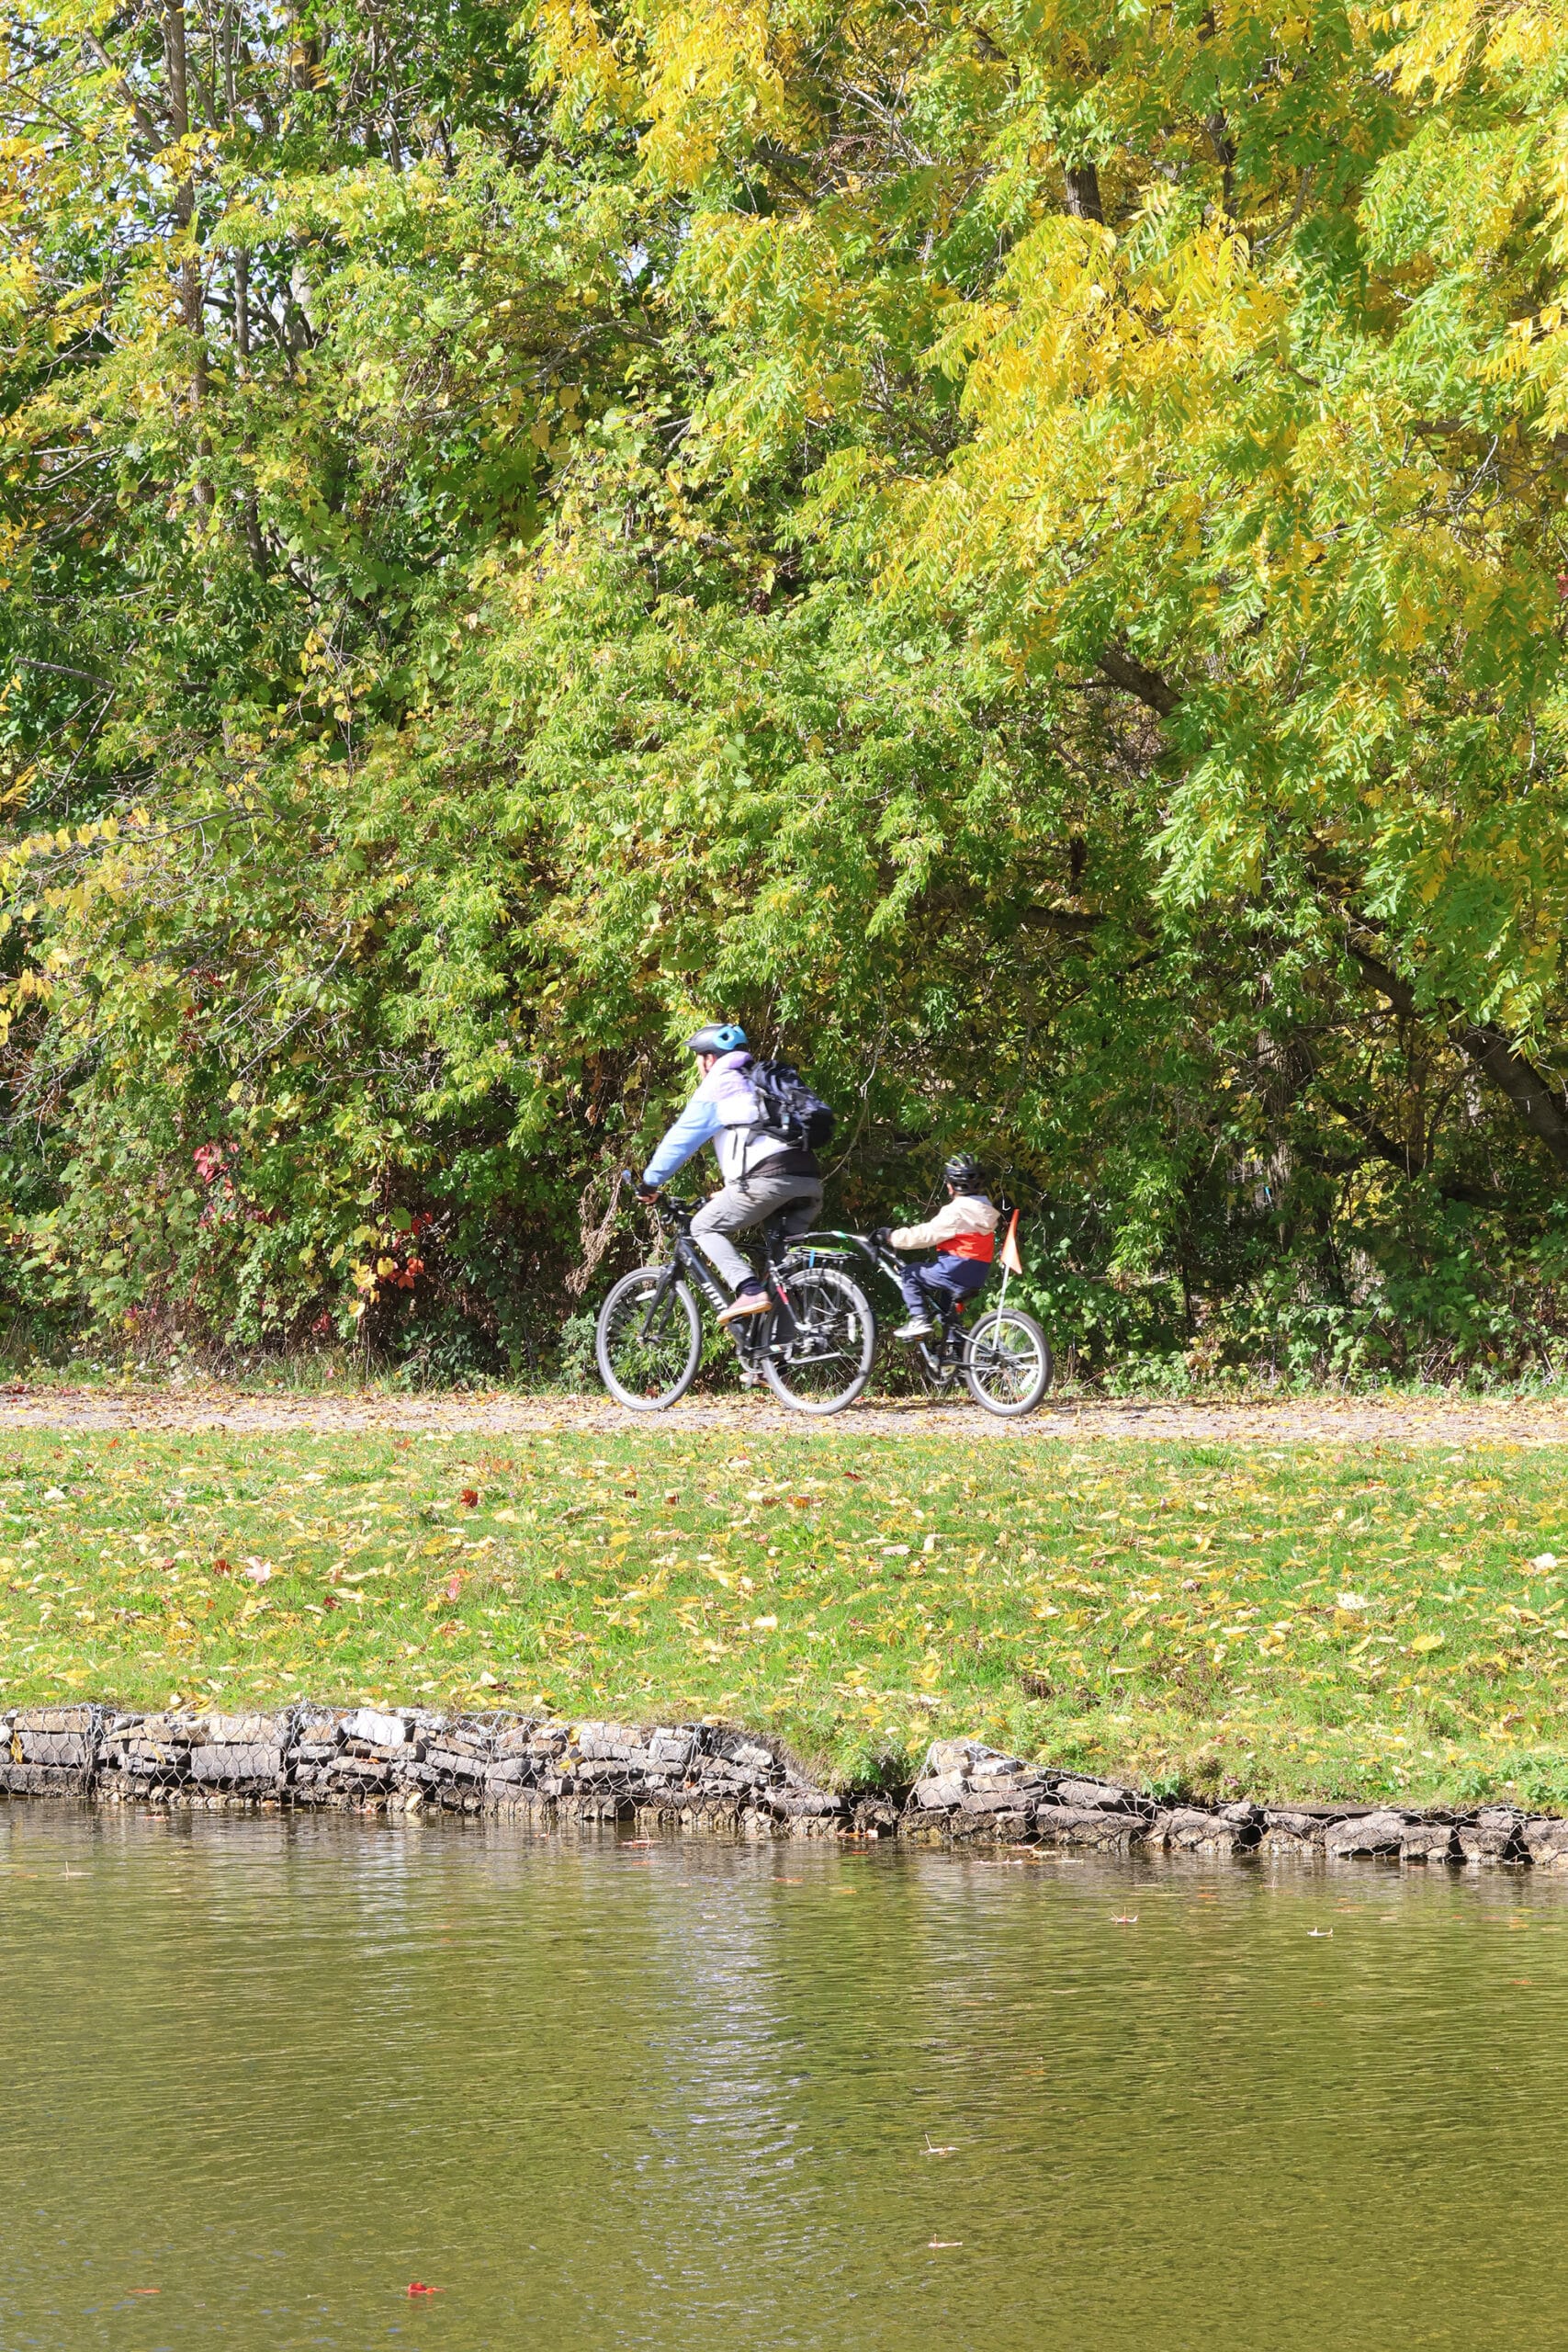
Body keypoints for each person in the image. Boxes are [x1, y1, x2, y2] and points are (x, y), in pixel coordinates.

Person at [637, 1024, 824, 1326]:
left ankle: (748, 1290)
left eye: (698, 1058)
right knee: (783, 1275)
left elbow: (681, 1139)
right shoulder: (758, 1084)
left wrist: (650, 1181)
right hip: (807, 1181)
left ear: (710, 1059)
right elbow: (758, 1141)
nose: (698, 1064)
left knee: (703, 1227)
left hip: (768, 1180)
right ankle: (776, 1361)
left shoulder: (720, 1083)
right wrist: (726, 1192)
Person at [875, 1154, 1000, 1340]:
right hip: (977, 1274)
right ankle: (957, 1351)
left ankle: (918, 1318)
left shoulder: (956, 1212)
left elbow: (926, 1234)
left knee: (910, 1273)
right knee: (946, 1313)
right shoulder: (986, 1212)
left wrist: (892, 1237)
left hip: (955, 1270)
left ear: (950, 1185)